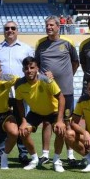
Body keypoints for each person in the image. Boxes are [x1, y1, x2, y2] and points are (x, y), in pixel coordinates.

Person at [35, 16, 80, 164]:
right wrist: (43, 75)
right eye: (47, 25)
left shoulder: (68, 43)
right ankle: (45, 155)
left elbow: (75, 62)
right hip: (48, 92)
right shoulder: (40, 44)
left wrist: (67, 76)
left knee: (67, 122)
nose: (49, 28)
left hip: (66, 91)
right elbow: (36, 66)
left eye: (51, 25)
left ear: (58, 27)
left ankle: (70, 155)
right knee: (47, 122)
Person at [0, 21, 33, 164]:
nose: (10, 30)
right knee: (2, 124)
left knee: (22, 122)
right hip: (2, 94)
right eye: (7, 28)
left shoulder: (26, 49)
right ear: (4, 31)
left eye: (13, 28)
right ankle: (1, 154)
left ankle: (23, 154)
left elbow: (32, 69)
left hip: (22, 92)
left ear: (17, 31)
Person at [14, 57, 66, 171]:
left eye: (32, 67)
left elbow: (61, 98)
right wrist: (23, 121)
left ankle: (56, 160)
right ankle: (34, 159)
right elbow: (19, 102)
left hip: (53, 111)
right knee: (23, 132)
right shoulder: (19, 84)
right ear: (23, 70)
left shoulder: (46, 80)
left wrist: (60, 120)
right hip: (35, 112)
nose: (29, 70)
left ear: (37, 68)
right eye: (26, 68)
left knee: (60, 130)